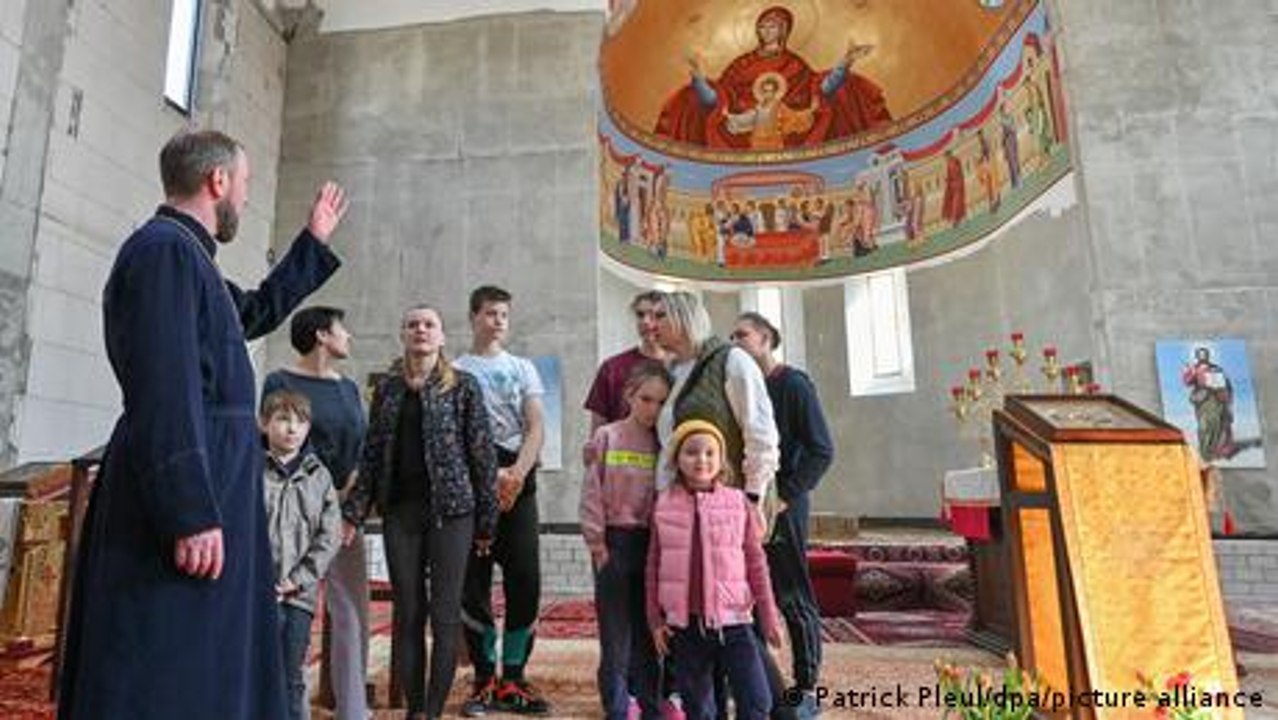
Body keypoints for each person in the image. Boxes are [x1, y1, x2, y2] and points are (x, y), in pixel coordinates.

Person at [58, 130, 349, 720]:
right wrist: (188, 510)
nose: (243, 196)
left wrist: (313, 241)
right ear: (217, 181)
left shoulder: (190, 259)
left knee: (203, 662)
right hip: (188, 491)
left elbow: (256, 312)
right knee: (164, 658)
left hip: (213, 481)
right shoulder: (165, 251)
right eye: (243, 184)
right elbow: (164, 390)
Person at [343, 305, 499, 720]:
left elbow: (482, 456)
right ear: (403, 335)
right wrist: (354, 511)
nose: (421, 330)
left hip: (454, 513)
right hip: (401, 513)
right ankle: (415, 710)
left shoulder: (463, 386)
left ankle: (433, 712)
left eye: (429, 325)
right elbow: (372, 452)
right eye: (412, 324)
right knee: (407, 610)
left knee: (444, 612)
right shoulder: (389, 390)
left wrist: (487, 522)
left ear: (442, 337)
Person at [263, 306, 370, 720]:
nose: (349, 337)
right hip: (291, 513)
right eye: (343, 329)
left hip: (343, 513)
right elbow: (271, 444)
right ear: (323, 335)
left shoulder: (348, 389)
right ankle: (290, 708)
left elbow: (362, 449)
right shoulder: (280, 381)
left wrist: (351, 499)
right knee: (288, 610)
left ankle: (353, 709)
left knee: (350, 613)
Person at [732, 313, 834, 720]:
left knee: (792, 594)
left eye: (743, 334)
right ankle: (763, 683)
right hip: (748, 504)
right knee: (752, 595)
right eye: (731, 336)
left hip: (784, 507)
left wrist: (785, 497)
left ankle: (807, 688)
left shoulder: (793, 384)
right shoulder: (741, 385)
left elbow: (821, 450)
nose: (735, 342)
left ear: (767, 338)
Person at [646, 420, 783, 720]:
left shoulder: (737, 503)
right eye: (692, 452)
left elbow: (756, 564)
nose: (701, 460)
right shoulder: (664, 504)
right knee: (700, 708)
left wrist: (769, 616)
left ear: (722, 460)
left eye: (710, 453)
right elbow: (653, 565)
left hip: (734, 622)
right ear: (677, 460)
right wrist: (655, 620)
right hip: (687, 628)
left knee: (757, 699)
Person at [457, 285, 552, 716]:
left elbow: (535, 426)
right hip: (474, 483)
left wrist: (516, 473)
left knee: (525, 579)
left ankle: (513, 677)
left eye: (504, 315)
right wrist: (486, 475)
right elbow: (451, 433)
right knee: (473, 583)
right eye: (491, 313)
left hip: (519, 482)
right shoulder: (456, 368)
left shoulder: (523, 368)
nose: (498, 321)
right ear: (474, 316)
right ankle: (483, 678)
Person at [656, 6, 890, 149]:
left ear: (784, 30)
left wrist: (845, 62)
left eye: (772, 26)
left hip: (788, 131)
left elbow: (819, 89)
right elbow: (717, 99)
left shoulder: (795, 64)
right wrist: (698, 77)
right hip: (743, 129)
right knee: (687, 98)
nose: (766, 31)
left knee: (850, 87)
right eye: (763, 26)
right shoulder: (742, 64)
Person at [581, 362, 672, 720]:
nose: (653, 409)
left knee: (650, 635)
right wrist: (597, 545)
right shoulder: (607, 437)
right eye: (646, 399)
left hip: (652, 547)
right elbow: (591, 492)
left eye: (662, 402)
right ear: (629, 396)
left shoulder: (665, 444)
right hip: (613, 545)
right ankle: (616, 708)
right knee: (616, 638)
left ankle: (652, 706)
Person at [260, 390, 342, 720]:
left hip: (298, 597)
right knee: (250, 671)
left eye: (300, 421)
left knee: (291, 676)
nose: (291, 428)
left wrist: (296, 579)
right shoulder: (251, 470)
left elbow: (329, 536)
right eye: (282, 419)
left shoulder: (319, 477)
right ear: (264, 424)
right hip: (255, 592)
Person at [585, 291, 668, 438]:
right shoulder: (611, 368)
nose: (646, 321)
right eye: (640, 315)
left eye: (655, 315)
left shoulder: (681, 368)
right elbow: (597, 432)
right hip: (620, 457)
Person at [1182, 346, 1237, 462]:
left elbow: (1226, 383)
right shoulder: (1194, 368)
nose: (1202, 356)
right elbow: (1188, 382)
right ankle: (1204, 450)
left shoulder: (1216, 368)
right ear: (1197, 356)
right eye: (1200, 354)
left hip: (1217, 398)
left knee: (1217, 424)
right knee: (1204, 425)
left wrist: (1228, 395)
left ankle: (1214, 450)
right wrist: (1188, 372)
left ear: (1208, 355)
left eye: (1204, 354)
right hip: (1203, 399)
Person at [941, 148, 967, 228]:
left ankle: (957, 220)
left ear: (949, 155)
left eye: (946, 156)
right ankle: (956, 220)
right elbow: (950, 175)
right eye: (946, 157)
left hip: (957, 185)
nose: (946, 158)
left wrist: (955, 182)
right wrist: (948, 180)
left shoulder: (955, 161)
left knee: (957, 203)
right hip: (953, 186)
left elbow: (959, 173)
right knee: (952, 204)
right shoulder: (949, 163)